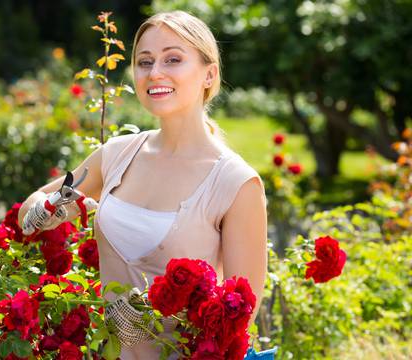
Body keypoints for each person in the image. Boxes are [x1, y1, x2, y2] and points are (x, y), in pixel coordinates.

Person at [19, 10, 271, 360]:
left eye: (173, 59)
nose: (155, 73)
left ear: (209, 74)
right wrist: (43, 213)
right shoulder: (116, 155)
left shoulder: (235, 183)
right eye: (144, 61)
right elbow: (32, 205)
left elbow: (239, 317)